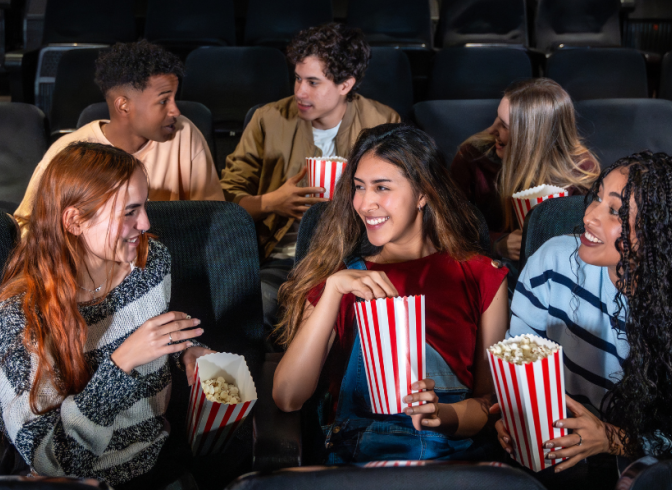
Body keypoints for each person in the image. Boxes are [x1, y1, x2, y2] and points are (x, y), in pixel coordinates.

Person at [497, 151, 672, 473]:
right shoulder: (552, 262)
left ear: (660, 234)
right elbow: (519, 365)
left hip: (655, 468)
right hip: (559, 451)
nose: (589, 217)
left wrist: (614, 439)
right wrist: (515, 415)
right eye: (597, 198)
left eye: (615, 212)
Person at [0, 142, 214, 488]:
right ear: (74, 221)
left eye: (144, 206)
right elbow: (52, 461)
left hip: (155, 459)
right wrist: (122, 363)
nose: (145, 223)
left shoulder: (150, 262)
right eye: (129, 212)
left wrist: (183, 350)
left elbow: (143, 333)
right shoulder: (15, 318)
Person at [273, 124, 509, 463]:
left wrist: (440, 414)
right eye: (359, 187)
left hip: (449, 464)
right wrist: (333, 291)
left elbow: (487, 404)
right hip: (360, 463)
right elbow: (287, 397)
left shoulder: (482, 275)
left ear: (423, 193)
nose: (365, 203)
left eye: (382, 187)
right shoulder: (341, 279)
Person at [219, 23, 400, 332]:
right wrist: (271, 202)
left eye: (313, 82)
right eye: (298, 78)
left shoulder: (382, 121)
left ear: (345, 85)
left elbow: (399, 198)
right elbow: (225, 200)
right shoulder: (269, 119)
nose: (300, 91)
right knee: (249, 312)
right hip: (282, 259)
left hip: (354, 255)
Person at [15, 40, 224, 223]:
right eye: (163, 101)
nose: (175, 111)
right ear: (123, 106)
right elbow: (27, 226)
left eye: (173, 99)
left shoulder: (184, 133)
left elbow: (213, 216)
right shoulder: (66, 152)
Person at [450, 79, 599, 263]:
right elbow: (449, 226)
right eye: (497, 118)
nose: (491, 130)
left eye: (504, 126)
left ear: (533, 137)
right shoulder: (473, 157)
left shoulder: (580, 170)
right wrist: (496, 244)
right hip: (487, 264)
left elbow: (588, 237)